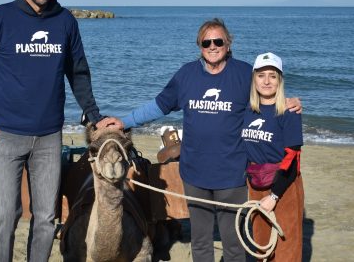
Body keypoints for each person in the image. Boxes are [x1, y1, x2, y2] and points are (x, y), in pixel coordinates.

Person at [99, 18, 301, 262]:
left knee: (234, 242)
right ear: (200, 45)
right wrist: (125, 121)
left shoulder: (244, 74)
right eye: (207, 42)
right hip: (195, 174)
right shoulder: (186, 75)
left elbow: (269, 93)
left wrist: (290, 102)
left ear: (228, 44)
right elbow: (158, 106)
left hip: (232, 175)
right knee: (201, 241)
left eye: (219, 41)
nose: (213, 46)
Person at [0, 0, 108, 261]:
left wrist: (93, 115)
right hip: (3, 135)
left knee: (46, 217)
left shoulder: (65, 21)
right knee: (5, 215)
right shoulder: (1, 17)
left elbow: (78, 72)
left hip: (49, 137)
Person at [241, 52, 304, 261]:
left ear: (280, 80)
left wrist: (274, 195)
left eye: (273, 76)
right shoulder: (246, 110)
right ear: (253, 79)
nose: (266, 81)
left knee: (286, 248)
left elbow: (292, 160)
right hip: (255, 185)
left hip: (283, 186)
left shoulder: (289, 111)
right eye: (261, 75)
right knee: (262, 246)